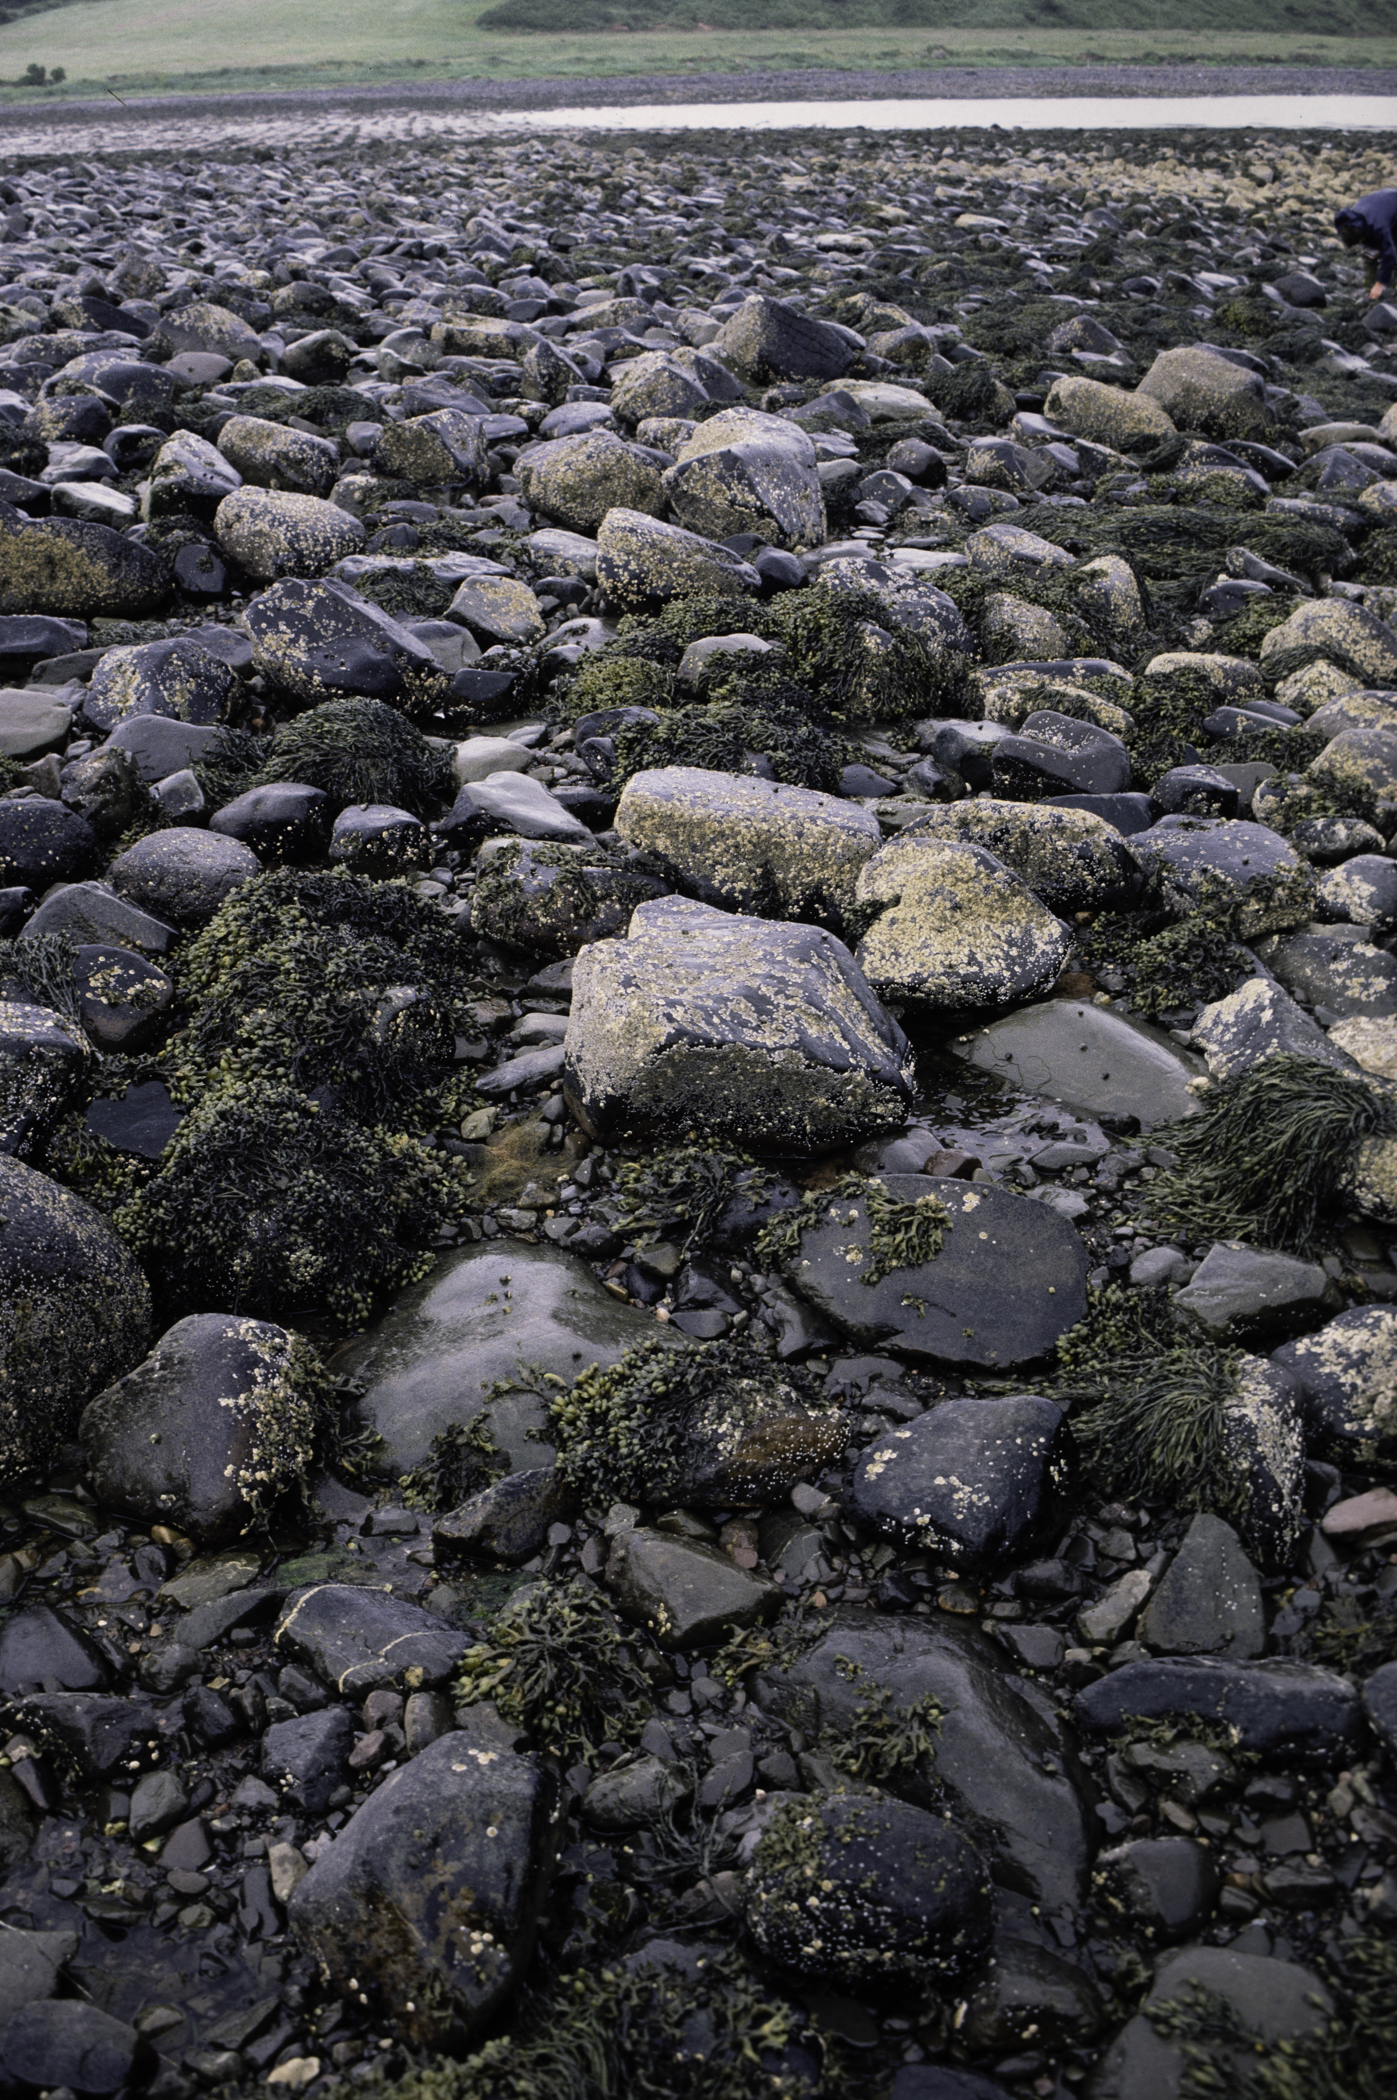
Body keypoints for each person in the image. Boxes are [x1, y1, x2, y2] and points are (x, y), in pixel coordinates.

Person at [1334, 190, 1397, 302]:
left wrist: (1380, 284)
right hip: (1379, 206)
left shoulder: (1379, 227)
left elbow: (1389, 254)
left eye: (1359, 242)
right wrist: (1370, 248)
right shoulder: (1349, 219)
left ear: (1361, 239)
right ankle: (1368, 290)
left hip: (1392, 205)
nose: (1360, 244)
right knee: (1369, 255)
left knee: (1392, 252)